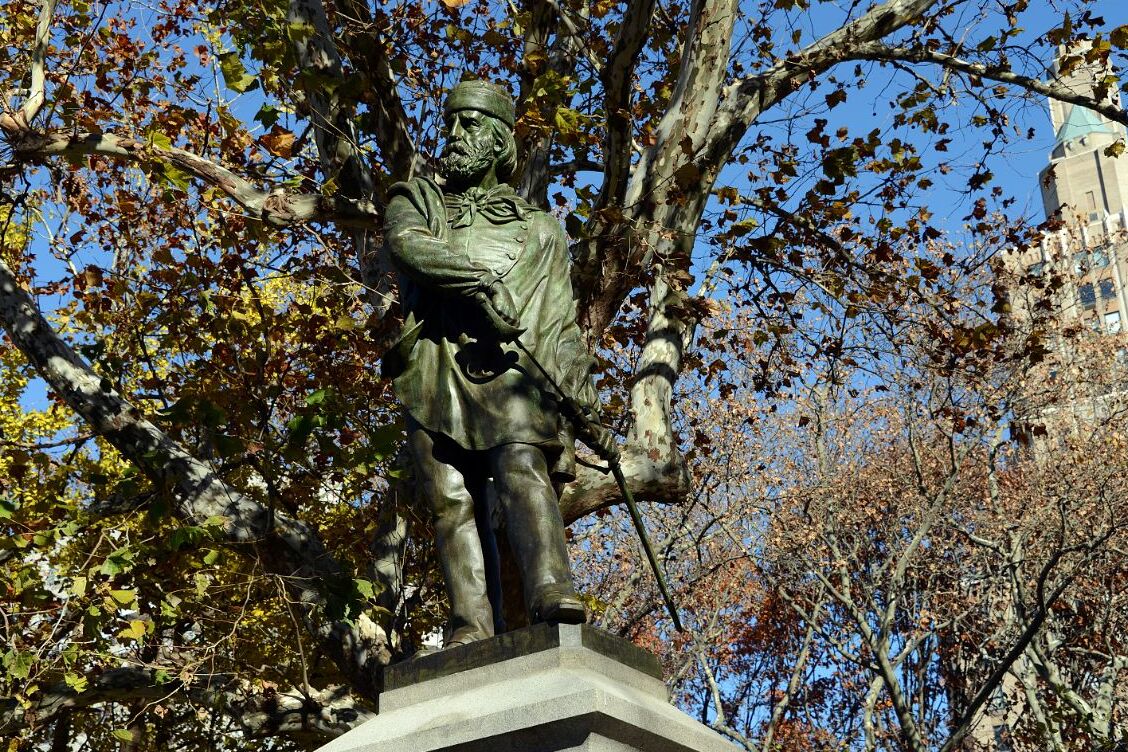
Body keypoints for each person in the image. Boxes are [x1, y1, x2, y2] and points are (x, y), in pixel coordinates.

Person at [381, 80, 601, 648]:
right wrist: (479, 287)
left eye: (470, 124)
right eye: (450, 123)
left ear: (501, 141)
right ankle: (469, 624)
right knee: (449, 499)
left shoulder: (543, 230)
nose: (454, 136)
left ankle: (552, 588)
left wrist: (585, 409)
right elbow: (409, 248)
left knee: (520, 467)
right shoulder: (417, 200)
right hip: (434, 364)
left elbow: (560, 325)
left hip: (510, 374)